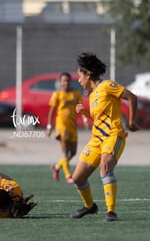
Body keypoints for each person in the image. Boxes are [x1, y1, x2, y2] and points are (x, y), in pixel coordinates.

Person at [71, 52, 138, 222]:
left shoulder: (107, 85)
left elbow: (131, 97)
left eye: (80, 76)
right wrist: (85, 112)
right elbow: (99, 117)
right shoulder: (92, 95)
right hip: (96, 140)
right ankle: (89, 206)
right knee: (77, 178)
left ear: (88, 74)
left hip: (113, 136)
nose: (79, 81)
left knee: (105, 168)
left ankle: (111, 212)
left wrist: (131, 121)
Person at [46, 72, 87, 184]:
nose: (66, 82)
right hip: (61, 125)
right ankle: (68, 175)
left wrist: (85, 119)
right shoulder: (57, 94)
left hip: (72, 126)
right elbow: (52, 111)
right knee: (65, 152)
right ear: (60, 82)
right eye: (64, 80)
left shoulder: (76, 93)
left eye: (68, 80)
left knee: (72, 152)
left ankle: (57, 167)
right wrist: (49, 127)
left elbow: (80, 107)